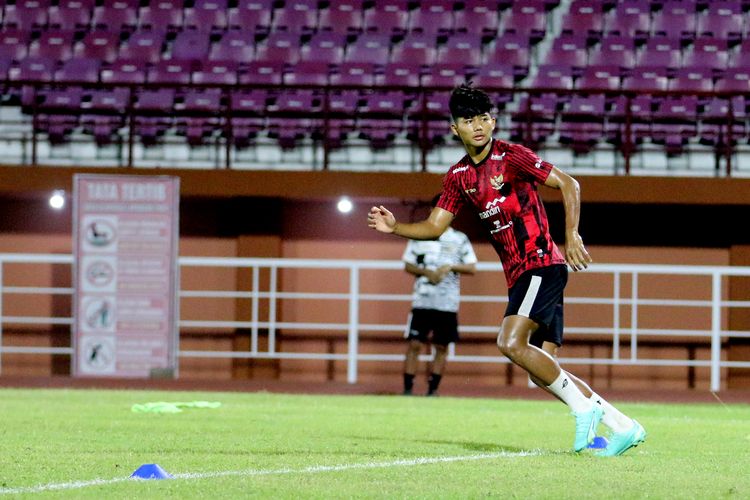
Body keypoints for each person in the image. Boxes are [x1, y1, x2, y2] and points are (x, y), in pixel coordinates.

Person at [367, 83, 646, 457]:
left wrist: (572, 235)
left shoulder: (511, 156)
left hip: (541, 264)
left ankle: (584, 410)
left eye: (484, 118)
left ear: (493, 122)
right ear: (455, 128)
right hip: (520, 276)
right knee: (541, 369)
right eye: (469, 120)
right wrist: (395, 228)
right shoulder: (458, 176)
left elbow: (568, 183)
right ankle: (623, 426)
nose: (477, 126)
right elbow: (434, 227)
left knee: (510, 342)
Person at [401, 200, 477, 396]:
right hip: (422, 300)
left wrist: (450, 267)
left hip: (447, 303)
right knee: (414, 344)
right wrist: (427, 273)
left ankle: (433, 391)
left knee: (441, 346)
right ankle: (407, 390)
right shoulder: (419, 233)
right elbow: (408, 264)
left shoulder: (459, 238)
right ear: (431, 210)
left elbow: (471, 267)